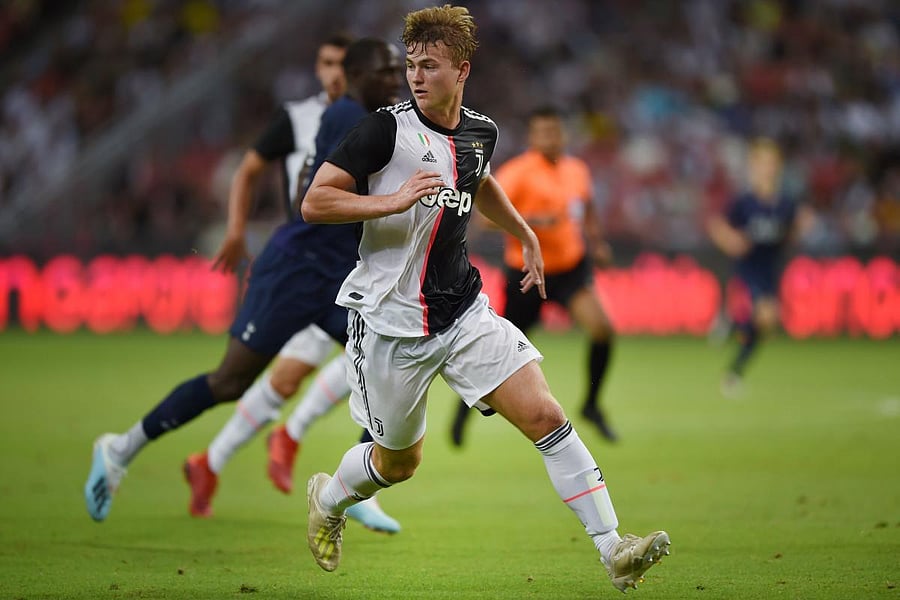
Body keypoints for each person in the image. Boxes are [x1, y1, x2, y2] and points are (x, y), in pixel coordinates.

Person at [300, 5, 670, 593]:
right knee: (398, 463)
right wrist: (388, 202)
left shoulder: (481, 131)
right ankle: (329, 499)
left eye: (430, 65)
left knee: (546, 415)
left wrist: (523, 231)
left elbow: (478, 176)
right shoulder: (383, 131)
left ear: (463, 69)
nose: (417, 76)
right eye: (412, 66)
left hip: (464, 311)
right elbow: (315, 202)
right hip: (392, 325)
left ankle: (613, 549)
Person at [83, 37, 402, 534]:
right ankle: (120, 448)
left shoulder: (372, 116)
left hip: (341, 276)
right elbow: (309, 192)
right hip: (295, 270)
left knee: (384, 367)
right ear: (361, 75)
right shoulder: (347, 118)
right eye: (387, 71)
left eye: (398, 70)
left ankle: (353, 485)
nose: (396, 78)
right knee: (230, 381)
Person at [187, 37, 405, 532]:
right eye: (325, 62)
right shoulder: (308, 119)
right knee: (318, 372)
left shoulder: (374, 119)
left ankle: (226, 457)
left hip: (339, 268)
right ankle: (267, 449)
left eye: (338, 64)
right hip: (309, 267)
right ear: (325, 69)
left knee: (357, 365)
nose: (332, 73)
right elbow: (289, 183)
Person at [449, 106, 617, 447]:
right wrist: (531, 222)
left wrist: (596, 243)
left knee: (602, 329)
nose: (550, 138)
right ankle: (462, 412)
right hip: (527, 273)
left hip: (570, 267)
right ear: (531, 137)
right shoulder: (517, 173)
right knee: (499, 353)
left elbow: (588, 209)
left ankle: (591, 404)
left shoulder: (577, 170)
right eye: (543, 132)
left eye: (555, 131)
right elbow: (485, 218)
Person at [707, 137, 814, 397]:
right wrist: (731, 240)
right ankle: (733, 331)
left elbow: (795, 226)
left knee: (765, 327)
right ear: (753, 166)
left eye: (772, 163)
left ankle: (733, 344)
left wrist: (803, 227)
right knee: (766, 317)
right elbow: (717, 225)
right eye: (762, 162)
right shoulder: (744, 203)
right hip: (748, 269)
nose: (768, 168)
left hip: (771, 270)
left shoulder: (785, 204)